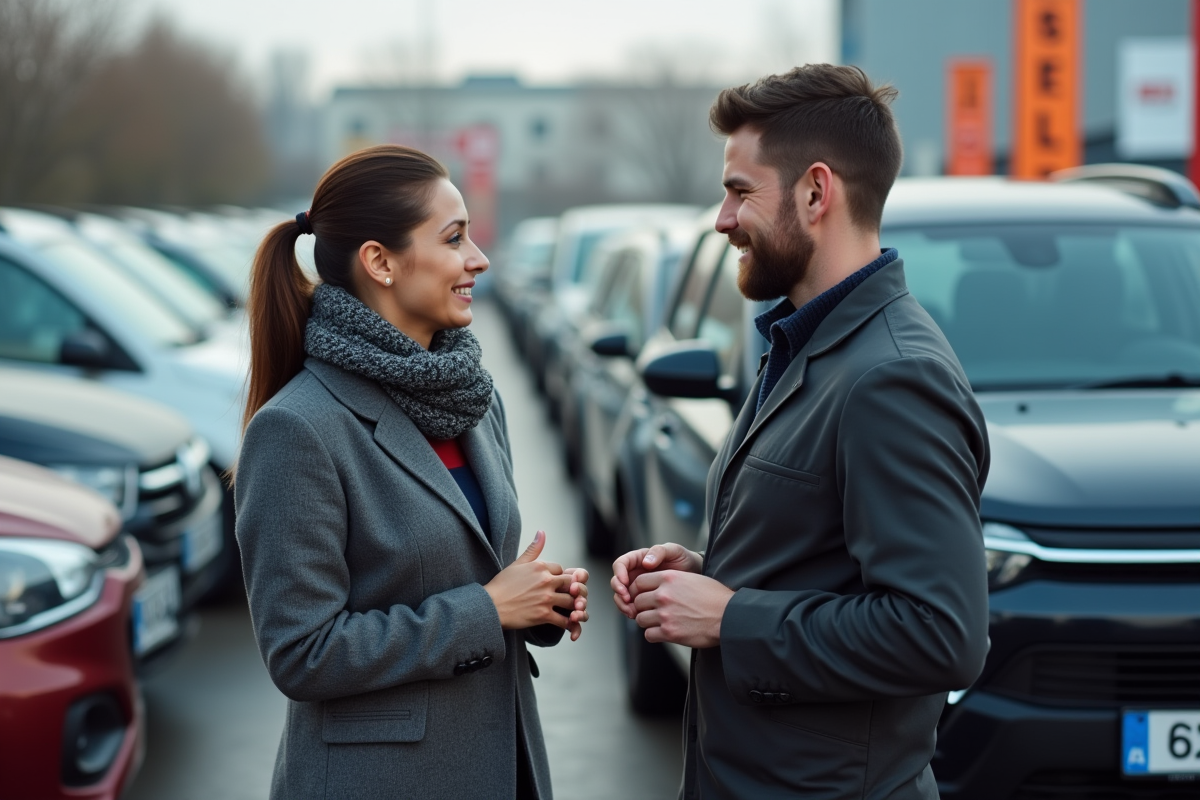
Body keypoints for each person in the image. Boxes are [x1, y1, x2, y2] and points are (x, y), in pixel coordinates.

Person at [611, 65, 991, 799]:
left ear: (816, 192)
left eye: (740, 191)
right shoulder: (804, 344)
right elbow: (823, 557)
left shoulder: (890, 378)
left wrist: (730, 617)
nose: (722, 219)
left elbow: (940, 634)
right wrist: (703, 572)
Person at [234, 145, 588, 800]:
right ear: (380, 262)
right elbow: (302, 652)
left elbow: (471, 574)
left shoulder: (472, 400)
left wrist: (535, 600)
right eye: (455, 238)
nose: (478, 259)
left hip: (503, 765)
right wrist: (487, 609)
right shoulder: (297, 430)